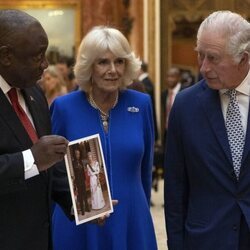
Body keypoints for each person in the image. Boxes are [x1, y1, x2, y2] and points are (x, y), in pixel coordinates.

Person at [51, 25, 157, 250]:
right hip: (78, 224)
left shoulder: (141, 104)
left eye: (119, 61)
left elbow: (146, 168)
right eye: (103, 62)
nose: (113, 70)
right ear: (89, 66)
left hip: (131, 220)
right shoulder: (64, 108)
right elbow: (52, 171)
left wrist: (141, 210)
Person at [164, 10, 250, 250]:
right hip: (205, 240)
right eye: (200, 56)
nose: (203, 68)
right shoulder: (185, 105)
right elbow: (175, 189)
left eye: (213, 58)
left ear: (243, 58)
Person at [0, 9, 71, 250]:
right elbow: (36, 159)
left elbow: (48, 165)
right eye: (36, 56)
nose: (45, 64)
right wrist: (30, 158)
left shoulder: (34, 92)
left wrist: (79, 203)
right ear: (6, 56)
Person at [72, 148, 90, 215]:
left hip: (83, 180)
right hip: (78, 182)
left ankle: (87, 208)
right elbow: (75, 172)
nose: (78, 155)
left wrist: (85, 180)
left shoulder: (81, 162)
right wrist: (75, 184)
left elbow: (83, 172)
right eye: (77, 154)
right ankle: (82, 211)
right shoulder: (73, 163)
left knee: (85, 195)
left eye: (79, 154)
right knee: (80, 196)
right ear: (75, 155)